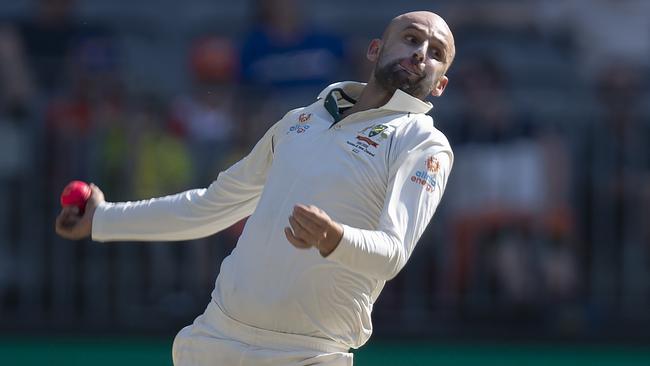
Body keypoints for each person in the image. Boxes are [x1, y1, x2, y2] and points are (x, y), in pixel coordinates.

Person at [56, 11, 456, 366]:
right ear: (374, 49)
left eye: (436, 52)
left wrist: (335, 239)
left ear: (440, 85)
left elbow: (393, 253)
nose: (421, 52)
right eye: (411, 38)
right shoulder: (302, 119)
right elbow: (212, 205)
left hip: (310, 353)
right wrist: (103, 219)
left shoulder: (423, 143)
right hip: (216, 339)